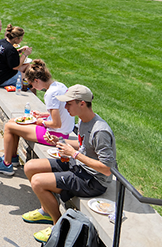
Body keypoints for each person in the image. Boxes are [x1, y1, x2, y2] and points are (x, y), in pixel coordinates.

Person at [22, 85, 116, 243]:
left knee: (38, 182)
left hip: (93, 180)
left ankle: (58, 226)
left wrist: (74, 154)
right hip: (79, 166)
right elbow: (84, 146)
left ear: (82, 104)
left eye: (68, 103)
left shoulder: (100, 131)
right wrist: (61, 141)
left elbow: (107, 169)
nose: (65, 107)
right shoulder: (84, 120)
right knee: (30, 167)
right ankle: (46, 211)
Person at [0, 59, 74, 175]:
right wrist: (44, 115)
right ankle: (12, 157)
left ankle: (6, 164)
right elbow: (61, 113)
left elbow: (56, 124)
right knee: (13, 121)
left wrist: (41, 122)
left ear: (36, 80)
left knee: (9, 127)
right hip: (61, 131)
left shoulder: (50, 94)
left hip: (54, 135)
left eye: (31, 84)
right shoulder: (59, 86)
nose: (32, 87)